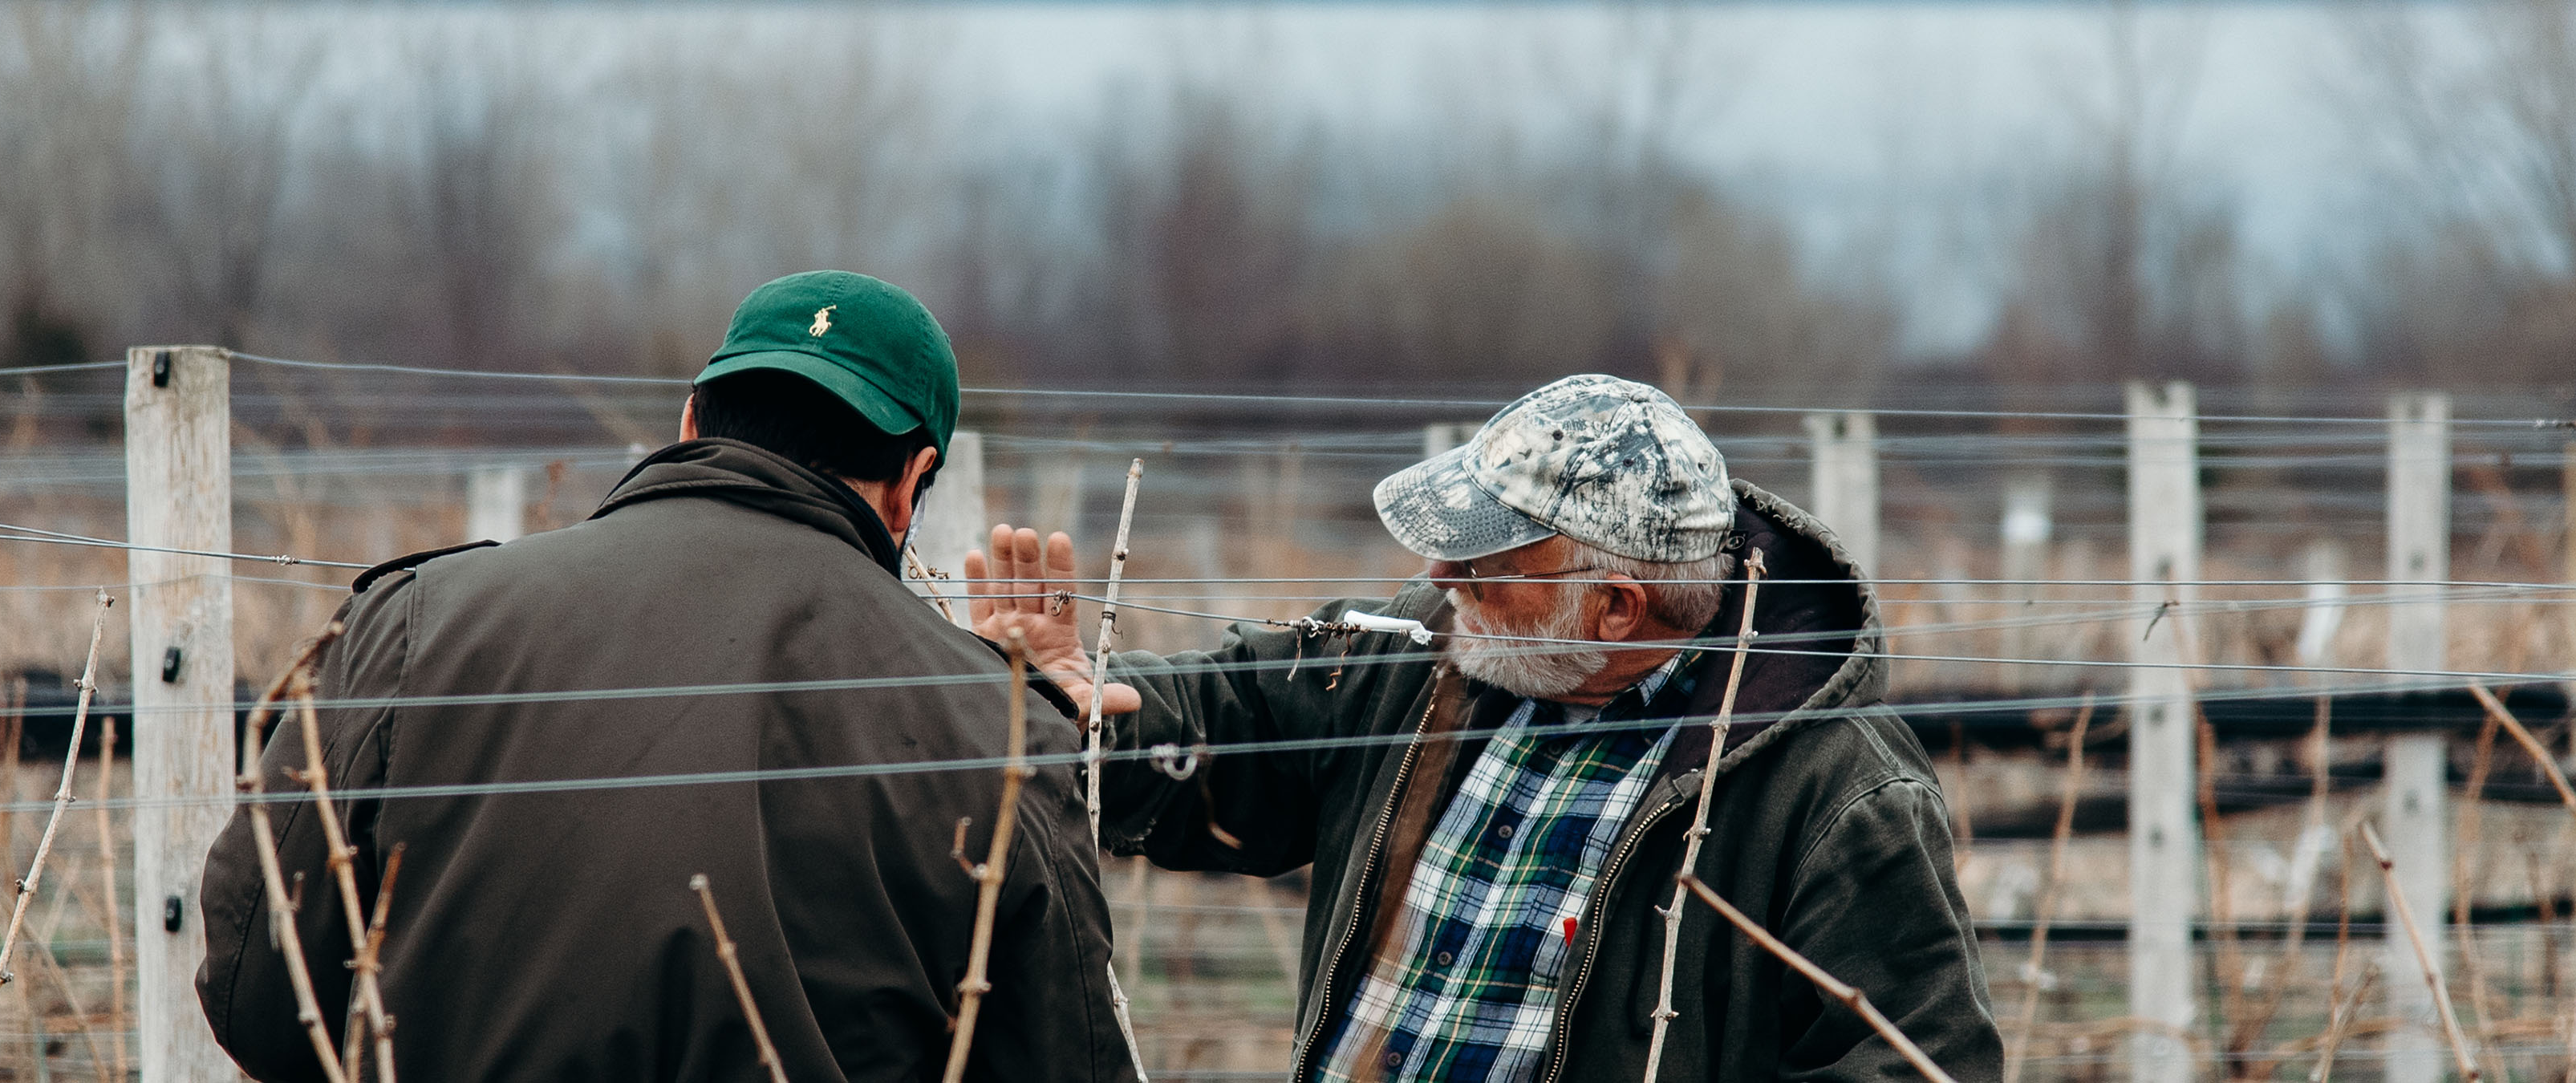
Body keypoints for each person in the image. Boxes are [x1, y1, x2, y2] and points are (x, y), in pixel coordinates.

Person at [199, 270, 1135, 1083]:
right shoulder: (994, 728)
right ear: (911, 480)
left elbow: (255, 990)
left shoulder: (412, 621)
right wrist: (1026, 723)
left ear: (690, 420)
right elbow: (1064, 1057)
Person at [974, 375, 2002, 1082]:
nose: (1439, 576)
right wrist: (1074, 708)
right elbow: (1234, 718)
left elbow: (1911, 1061)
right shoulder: (1432, 650)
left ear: (1613, 611)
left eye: (1490, 558)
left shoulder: (1835, 792)